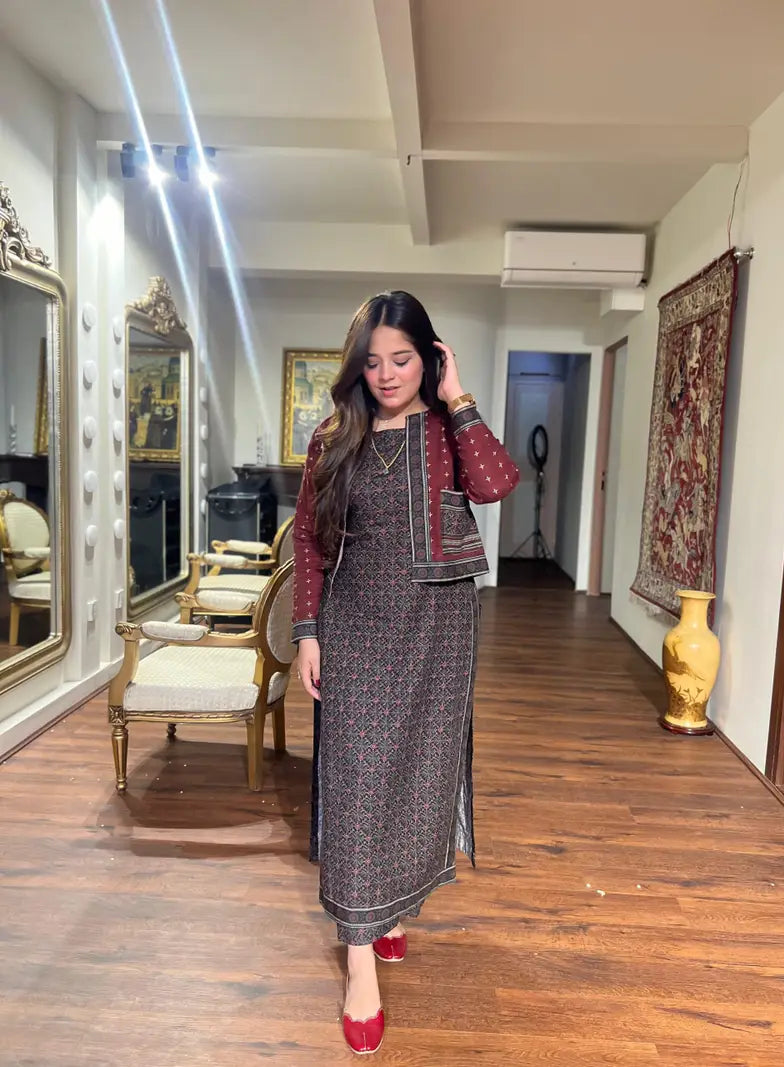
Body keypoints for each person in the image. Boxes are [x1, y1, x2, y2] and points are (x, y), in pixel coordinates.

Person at [292, 291, 519, 1055]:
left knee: (415, 775)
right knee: (357, 780)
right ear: (356, 366)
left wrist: (459, 398)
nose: (387, 374)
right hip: (356, 625)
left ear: (430, 358)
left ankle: (389, 908)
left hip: (437, 629)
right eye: (373, 361)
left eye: (404, 358)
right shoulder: (334, 438)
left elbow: (496, 485)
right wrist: (308, 632)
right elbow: (309, 540)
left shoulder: (450, 429)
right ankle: (360, 961)